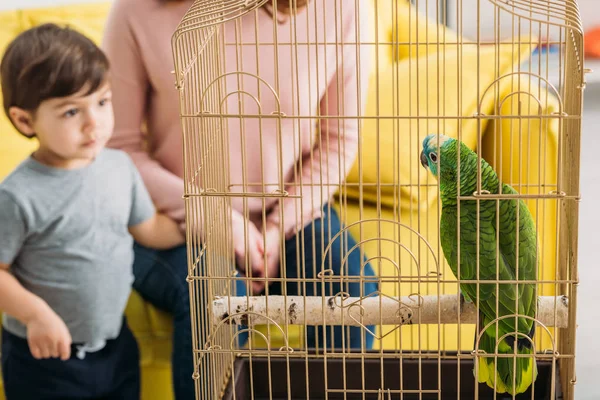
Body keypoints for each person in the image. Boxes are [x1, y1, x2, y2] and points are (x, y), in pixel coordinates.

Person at [103, 0, 377, 397]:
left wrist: (277, 226)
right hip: (170, 216)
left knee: (351, 284)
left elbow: (339, 140)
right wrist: (219, 221)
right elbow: (119, 149)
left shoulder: (342, 9)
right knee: (219, 301)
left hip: (286, 208)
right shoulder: (135, 11)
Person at [0, 23, 185, 400]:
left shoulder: (119, 167)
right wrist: (36, 314)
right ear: (24, 120)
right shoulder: (18, 195)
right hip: (45, 359)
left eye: (102, 102)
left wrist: (204, 224)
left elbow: (149, 229)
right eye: (71, 112)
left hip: (116, 345)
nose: (93, 123)